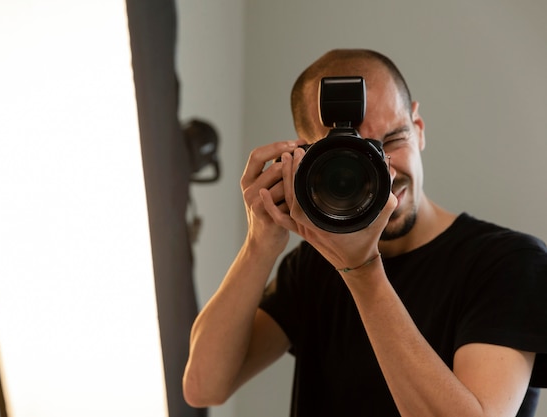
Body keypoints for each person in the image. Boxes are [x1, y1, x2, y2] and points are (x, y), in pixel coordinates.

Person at [182, 49, 547, 416]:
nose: (383, 173)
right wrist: (260, 244)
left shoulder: (510, 264)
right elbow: (203, 387)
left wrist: (362, 271)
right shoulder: (313, 266)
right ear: (304, 162)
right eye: (350, 157)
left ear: (418, 129)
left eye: (392, 141)